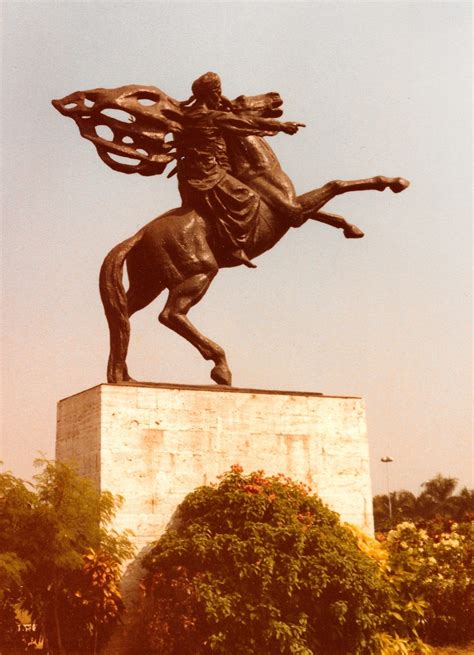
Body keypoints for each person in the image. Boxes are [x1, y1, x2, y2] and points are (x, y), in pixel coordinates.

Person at [170, 72, 303, 268]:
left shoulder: (187, 115)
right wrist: (281, 126)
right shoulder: (213, 116)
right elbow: (247, 123)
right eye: (218, 92)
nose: (219, 95)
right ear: (212, 93)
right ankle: (233, 245)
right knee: (247, 196)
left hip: (187, 177)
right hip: (209, 173)